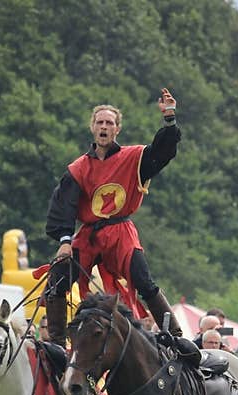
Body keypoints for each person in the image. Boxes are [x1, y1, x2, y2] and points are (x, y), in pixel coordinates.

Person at [44, 88, 183, 346]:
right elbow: (64, 206)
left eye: (109, 123)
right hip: (89, 235)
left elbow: (162, 152)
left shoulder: (133, 158)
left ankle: (175, 336)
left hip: (120, 233)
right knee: (57, 280)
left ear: (117, 129)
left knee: (143, 280)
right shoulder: (78, 168)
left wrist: (169, 119)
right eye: (100, 122)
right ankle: (56, 343)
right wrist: (65, 241)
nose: (104, 127)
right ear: (92, 128)